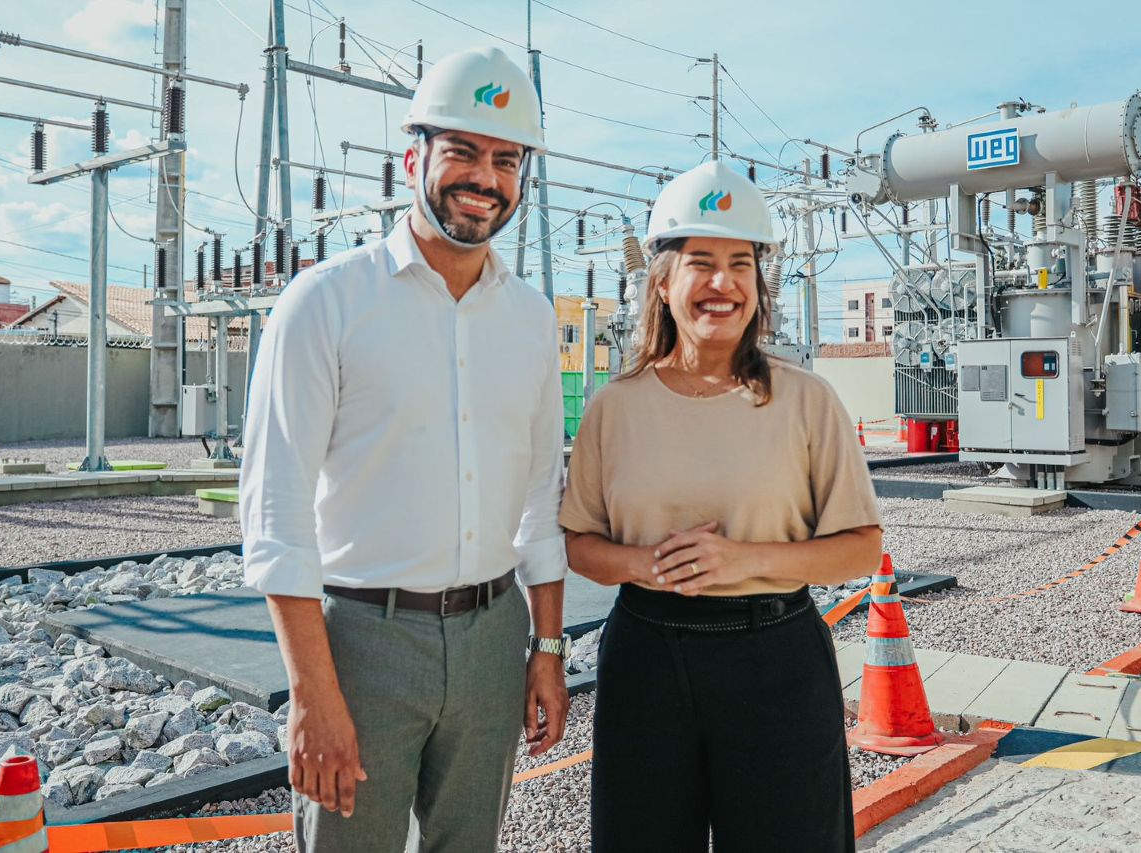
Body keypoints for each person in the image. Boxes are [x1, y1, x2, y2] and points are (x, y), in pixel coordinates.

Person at [240, 46, 572, 852]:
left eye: (504, 159)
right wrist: (313, 695)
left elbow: (539, 497)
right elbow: (278, 515)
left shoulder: (530, 320)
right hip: (363, 640)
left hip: (495, 635)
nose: (484, 178)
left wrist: (547, 648)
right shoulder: (325, 303)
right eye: (461, 150)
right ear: (413, 155)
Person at [560, 160, 883, 852]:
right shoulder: (615, 407)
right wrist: (643, 564)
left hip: (776, 658)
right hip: (647, 657)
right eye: (700, 261)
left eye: (741, 263)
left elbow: (861, 546)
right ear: (662, 282)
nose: (722, 282)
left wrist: (744, 559)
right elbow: (577, 540)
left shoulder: (806, 400)